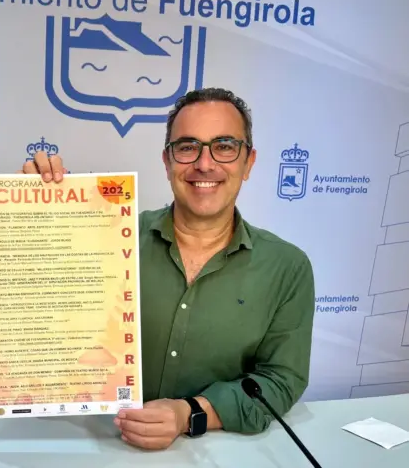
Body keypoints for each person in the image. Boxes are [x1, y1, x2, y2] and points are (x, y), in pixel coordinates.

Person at [18, 87, 315, 451]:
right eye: (188, 147)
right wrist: (34, 217)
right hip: (97, 447)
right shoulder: (104, 237)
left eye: (224, 146)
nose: (204, 164)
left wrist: (190, 412)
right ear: (167, 161)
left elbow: (280, 379)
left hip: (216, 452)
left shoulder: (287, 267)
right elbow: (42, 321)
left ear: (248, 162)